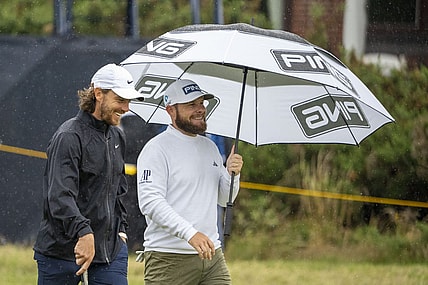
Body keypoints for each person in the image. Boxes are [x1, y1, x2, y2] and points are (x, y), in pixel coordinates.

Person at [33, 63, 142, 285]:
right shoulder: (68, 137)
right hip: (61, 254)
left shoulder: (117, 138)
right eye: (120, 100)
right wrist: (84, 232)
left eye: (129, 101)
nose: (126, 108)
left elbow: (119, 191)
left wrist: (121, 231)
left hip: (109, 255)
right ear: (98, 93)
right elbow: (59, 196)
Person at [136, 79, 244, 285]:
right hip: (168, 258)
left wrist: (233, 175)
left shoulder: (210, 147)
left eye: (201, 103)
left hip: (212, 255)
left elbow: (223, 198)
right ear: (170, 111)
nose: (200, 110)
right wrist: (190, 234)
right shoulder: (156, 149)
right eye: (191, 105)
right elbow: (150, 202)